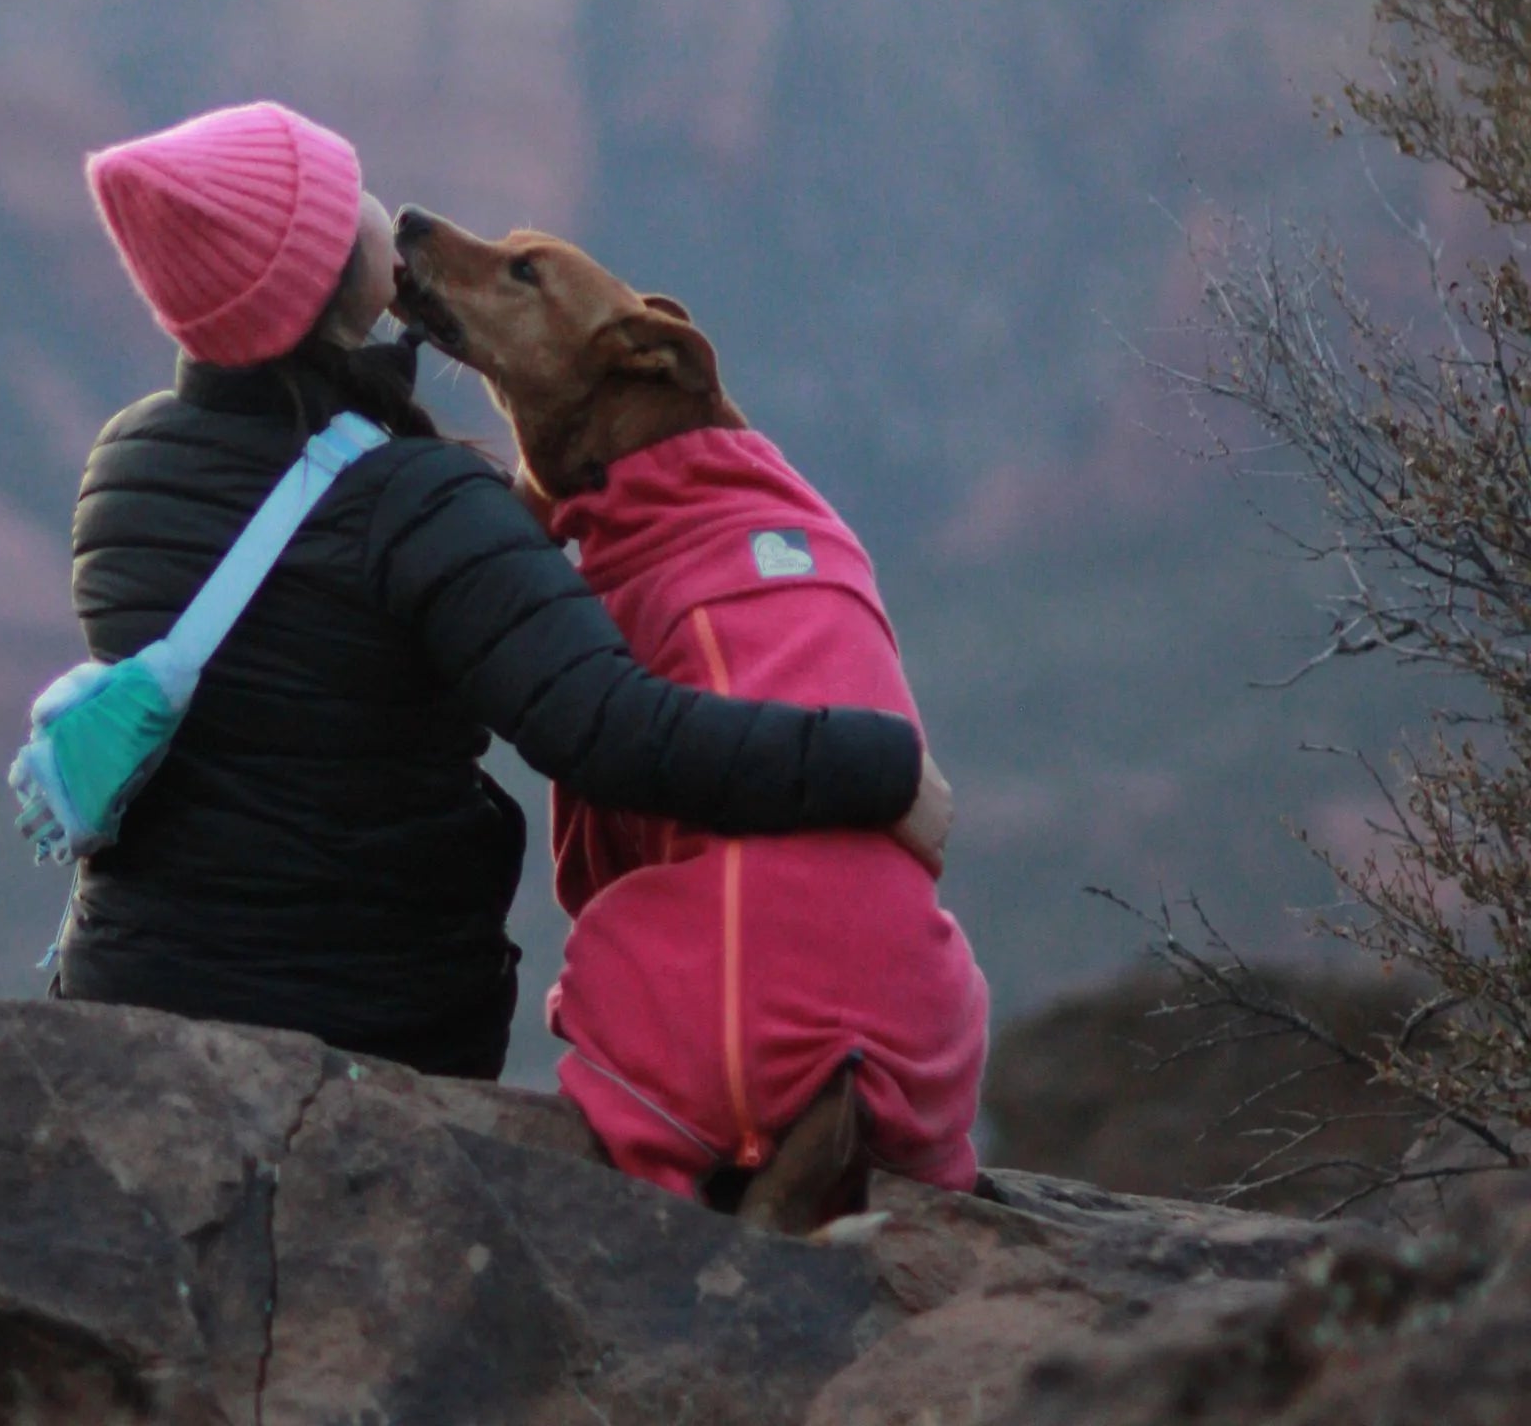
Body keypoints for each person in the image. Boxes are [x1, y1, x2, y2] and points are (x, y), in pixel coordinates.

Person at [55, 100, 949, 1079]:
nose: (383, 208)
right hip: (357, 1033)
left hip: (125, 999)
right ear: (317, 275)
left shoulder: (123, 463)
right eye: (347, 195)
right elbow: (611, 730)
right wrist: (881, 765)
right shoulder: (416, 504)